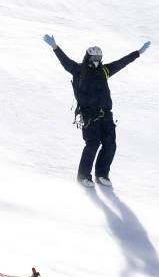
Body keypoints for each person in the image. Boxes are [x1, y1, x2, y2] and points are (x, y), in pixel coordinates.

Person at [43, 34, 151, 188]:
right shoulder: (79, 70)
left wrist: (138, 52)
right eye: (94, 57)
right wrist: (55, 47)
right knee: (93, 143)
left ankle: (102, 174)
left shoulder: (105, 70)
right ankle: (83, 176)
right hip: (89, 115)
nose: (97, 60)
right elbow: (65, 62)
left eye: (99, 57)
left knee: (110, 144)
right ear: (88, 57)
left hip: (106, 114)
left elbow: (121, 63)